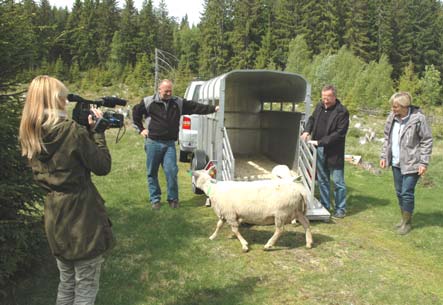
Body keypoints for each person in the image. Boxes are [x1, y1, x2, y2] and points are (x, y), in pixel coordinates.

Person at [19, 75, 115, 305]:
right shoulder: (72, 131)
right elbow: (102, 166)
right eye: (63, 97)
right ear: (56, 100)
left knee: (67, 282)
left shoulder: (30, 134)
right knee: (85, 287)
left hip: (55, 216)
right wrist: (98, 132)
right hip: (82, 217)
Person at [133, 79, 219, 209]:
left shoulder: (177, 102)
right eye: (166, 91)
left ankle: (173, 199)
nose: (168, 93)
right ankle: (155, 199)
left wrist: (213, 108)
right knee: (152, 172)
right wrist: (141, 129)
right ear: (159, 90)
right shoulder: (148, 102)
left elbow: (195, 107)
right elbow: (135, 113)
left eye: (170, 91)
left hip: (169, 144)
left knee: (171, 171)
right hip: (153, 143)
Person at [380, 92, 433, 235]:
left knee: (406, 193)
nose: (393, 109)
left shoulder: (418, 119)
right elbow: (387, 138)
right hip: (396, 162)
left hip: (412, 162)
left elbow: (426, 140)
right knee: (399, 192)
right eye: (392, 106)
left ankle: (407, 223)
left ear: (404, 106)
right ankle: (403, 219)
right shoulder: (392, 117)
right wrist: (384, 156)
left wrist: (423, 162)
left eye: (396, 106)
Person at [300, 84, 350, 219]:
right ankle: (325, 205)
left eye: (328, 97)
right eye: (323, 97)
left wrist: (320, 142)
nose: (325, 100)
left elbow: (339, 133)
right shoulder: (320, 106)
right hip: (319, 149)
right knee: (322, 179)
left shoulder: (342, 112)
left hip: (334, 151)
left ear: (334, 96)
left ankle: (340, 209)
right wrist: (306, 130)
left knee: (338, 181)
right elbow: (311, 119)